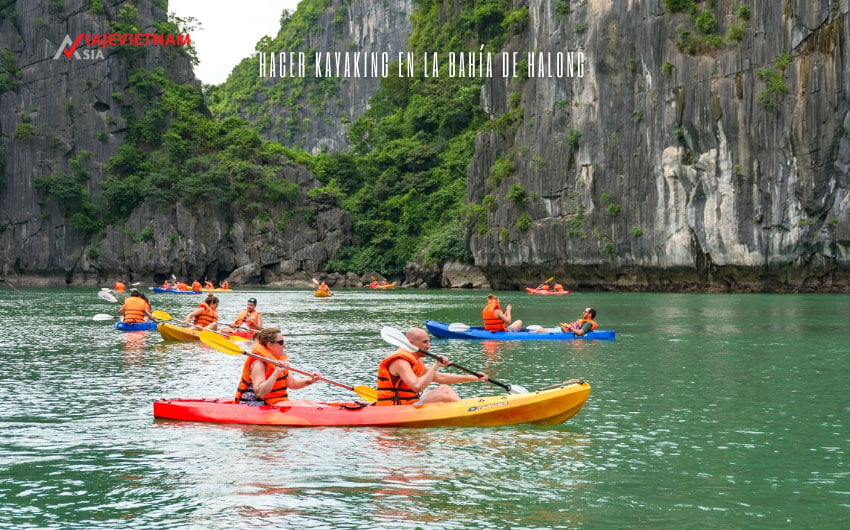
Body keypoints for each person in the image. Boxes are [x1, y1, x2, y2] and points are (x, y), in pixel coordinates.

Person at [376, 327, 487, 406]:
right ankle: (466, 410)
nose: (428, 346)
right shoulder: (400, 362)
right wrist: (435, 366)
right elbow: (417, 387)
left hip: (410, 402)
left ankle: (462, 408)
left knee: (445, 388)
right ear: (411, 343)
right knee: (444, 396)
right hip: (396, 407)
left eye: (429, 342)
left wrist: (473, 377)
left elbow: (440, 378)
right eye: (425, 342)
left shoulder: (416, 360)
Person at [234, 328, 321, 405]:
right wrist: (276, 372)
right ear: (270, 345)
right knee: (304, 404)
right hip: (257, 403)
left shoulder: (277, 361)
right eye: (281, 342)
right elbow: (260, 393)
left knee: (307, 403)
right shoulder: (259, 364)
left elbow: (292, 383)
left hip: (275, 401)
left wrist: (311, 380)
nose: (284, 345)